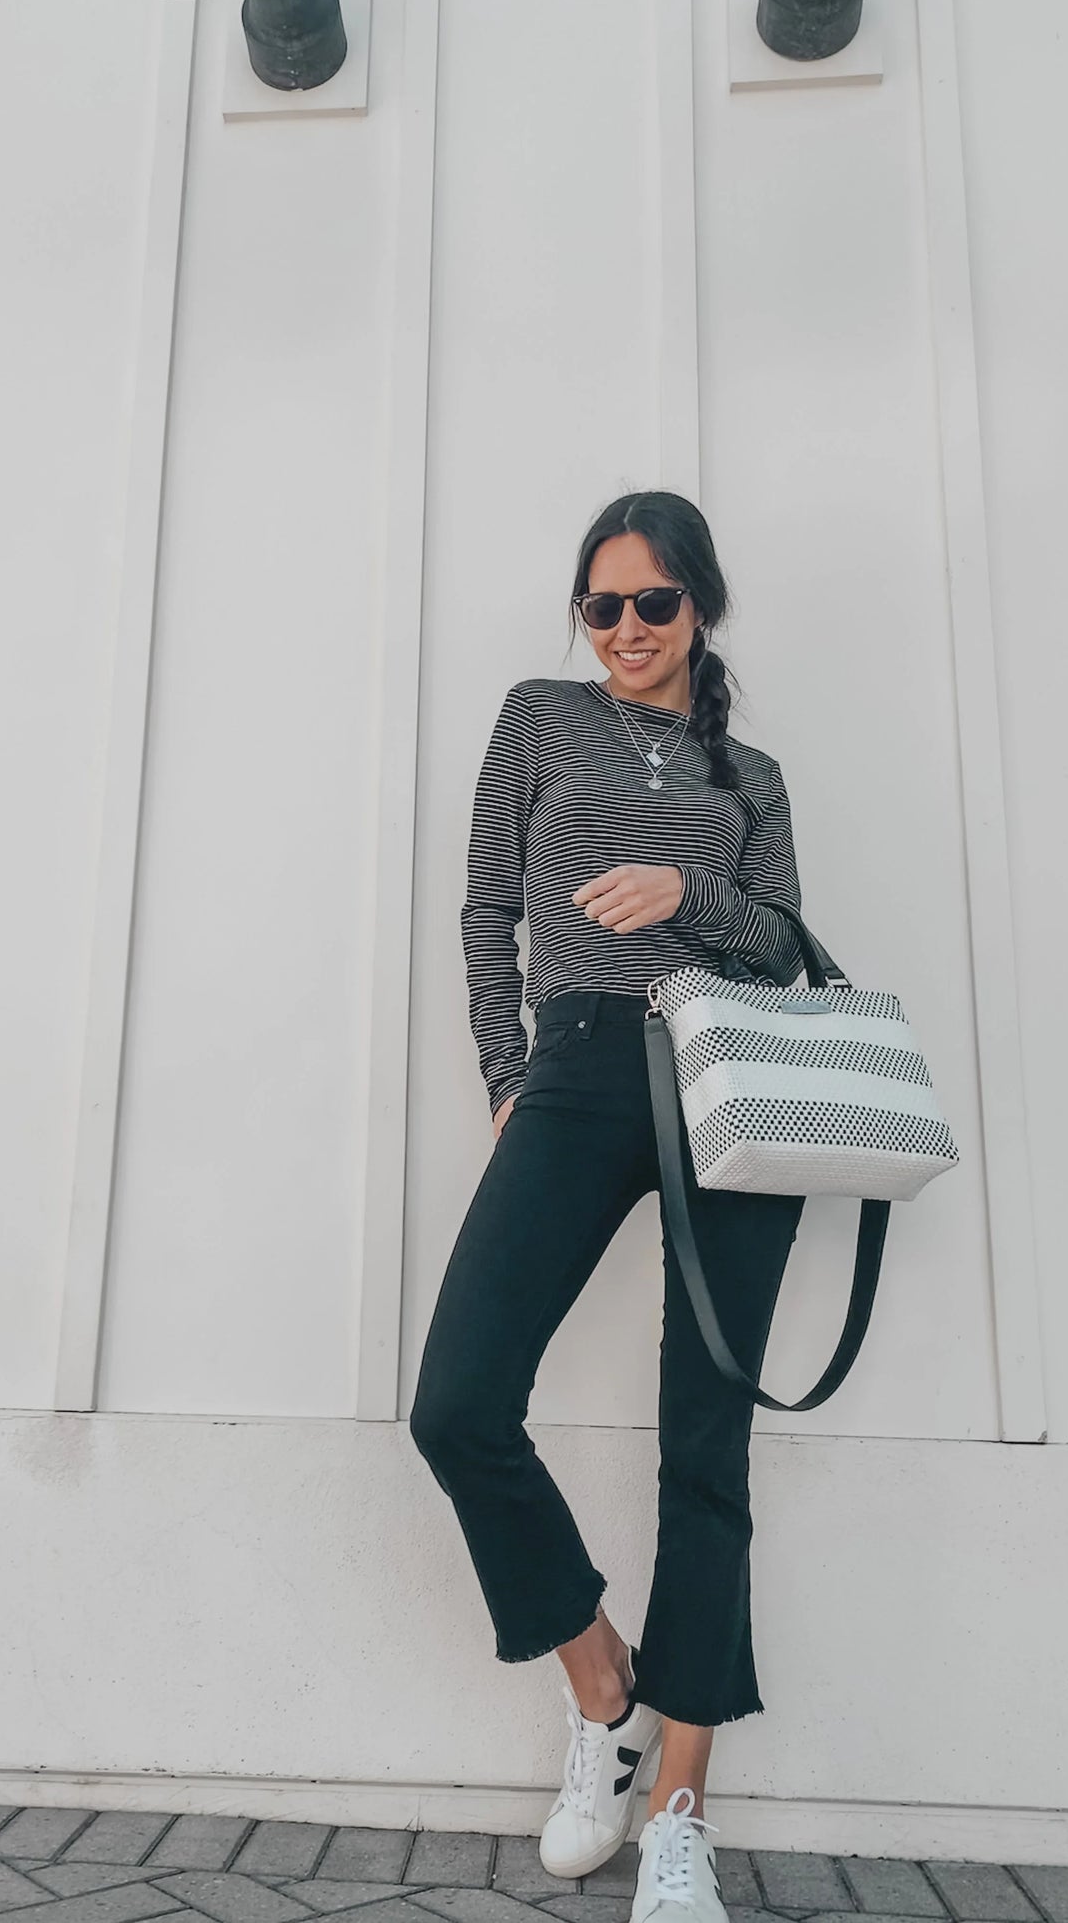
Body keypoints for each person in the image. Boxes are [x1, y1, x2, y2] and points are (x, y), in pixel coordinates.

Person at [408, 490, 811, 1923]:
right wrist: (505, 1077)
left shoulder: (747, 774)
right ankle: (604, 1692)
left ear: (699, 606)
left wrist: (684, 887)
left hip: (723, 1080)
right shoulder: (539, 719)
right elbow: (483, 912)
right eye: (601, 606)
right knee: (456, 1401)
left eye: (653, 604)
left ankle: (681, 1811)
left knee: (705, 1446)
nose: (625, 631)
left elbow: (778, 938)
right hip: (577, 1063)